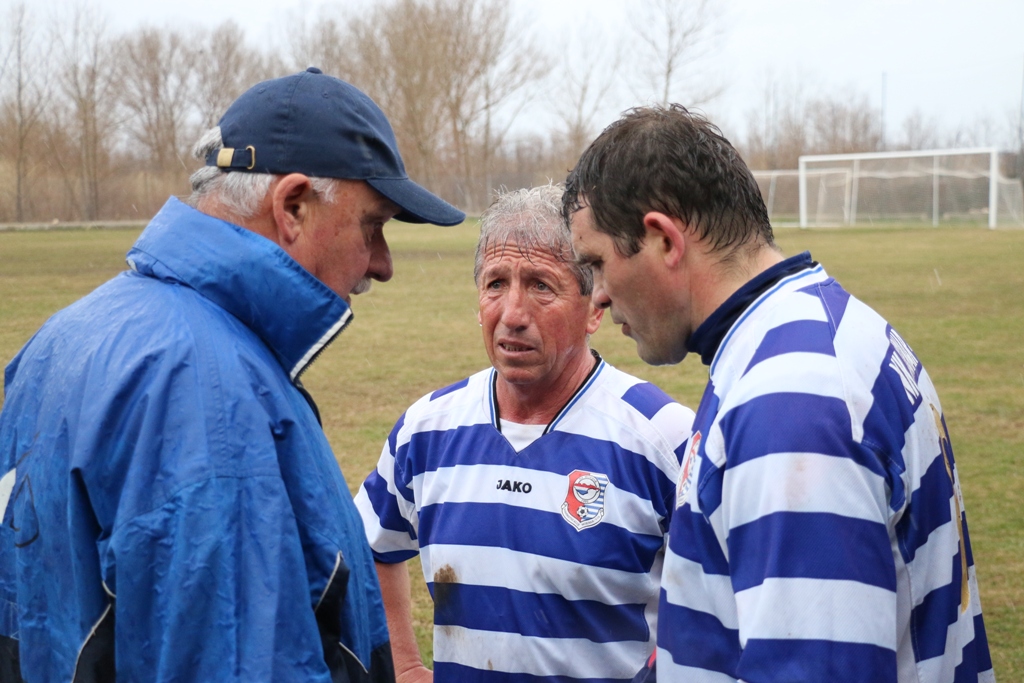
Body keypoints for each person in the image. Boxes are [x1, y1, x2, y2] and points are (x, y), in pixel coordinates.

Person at [0, 67, 465, 683]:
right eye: (373, 225)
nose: (382, 265)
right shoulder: (208, 395)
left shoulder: (66, 334)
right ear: (293, 205)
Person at [562, 104, 994, 683]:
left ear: (663, 239)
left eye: (596, 263)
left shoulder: (790, 398)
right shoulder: (812, 334)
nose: (597, 297)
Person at [354, 184, 695, 683]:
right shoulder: (426, 430)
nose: (512, 315)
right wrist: (404, 665)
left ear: (595, 308)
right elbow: (369, 546)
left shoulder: (666, 439)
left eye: (541, 285)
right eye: (495, 284)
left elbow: (724, 605)